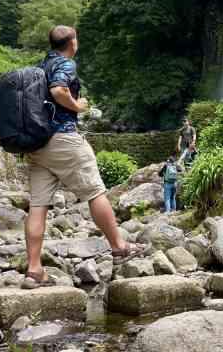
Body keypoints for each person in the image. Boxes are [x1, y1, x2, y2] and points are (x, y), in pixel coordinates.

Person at [22, 25, 146, 289]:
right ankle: (119, 245)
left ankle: (33, 270)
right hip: (62, 138)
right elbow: (58, 91)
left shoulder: (41, 65)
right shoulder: (65, 64)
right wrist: (78, 105)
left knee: (38, 205)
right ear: (72, 43)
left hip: (36, 144)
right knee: (95, 191)